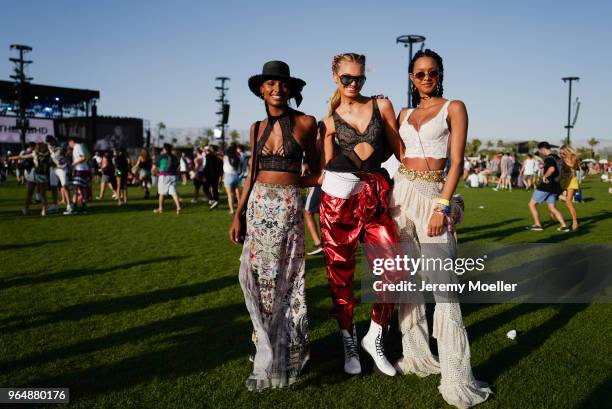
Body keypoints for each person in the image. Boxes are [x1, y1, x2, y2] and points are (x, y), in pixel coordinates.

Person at [390, 49, 491, 408]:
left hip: (433, 194)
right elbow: (393, 155)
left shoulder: (455, 107)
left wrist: (443, 204)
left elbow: (457, 161)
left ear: (441, 73)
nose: (426, 78)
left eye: (432, 72)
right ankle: (416, 355)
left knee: (443, 288)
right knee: (405, 281)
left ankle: (456, 377)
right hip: (400, 195)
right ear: (411, 78)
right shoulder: (403, 113)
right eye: (419, 73)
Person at [312, 53, 404, 377]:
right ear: (335, 78)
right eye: (347, 78)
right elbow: (323, 171)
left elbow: (399, 149)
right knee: (341, 277)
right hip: (340, 200)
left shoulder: (382, 106)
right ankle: (348, 340)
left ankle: (374, 336)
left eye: (359, 78)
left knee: (395, 267)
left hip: (376, 194)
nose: (353, 83)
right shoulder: (328, 122)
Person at [229, 60, 317, 391]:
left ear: (290, 89)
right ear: (262, 90)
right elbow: (251, 174)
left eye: (282, 84)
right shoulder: (256, 128)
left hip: (288, 208)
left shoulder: (307, 123)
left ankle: (290, 353)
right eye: (270, 83)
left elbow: (318, 169)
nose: (277, 88)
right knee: (258, 280)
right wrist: (237, 214)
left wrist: (292, 185)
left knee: (289, 280)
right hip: (257, 207)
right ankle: (265, 349)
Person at [526, 142, 569, 231]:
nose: (540, 152)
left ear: (542, 149)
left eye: (540, 150)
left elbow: (552, 169)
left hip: (546, 185)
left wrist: (545, 176)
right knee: (552, 207)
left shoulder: (549, 158)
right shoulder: (556, 157)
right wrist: (543, 167)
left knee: (531, 204)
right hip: (555, 186)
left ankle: (537, 225)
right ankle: (564, 226)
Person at [10, 142, 50, 216]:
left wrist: (11, 158)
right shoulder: (49, 154)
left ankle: (26, 209)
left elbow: (22, 157)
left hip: (34, 174)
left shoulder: (35, 153)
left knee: (29, 194)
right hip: (43, 176)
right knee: (43, 194)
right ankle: (44, 210)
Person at [46, 135, 75, 215]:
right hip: (53, 168)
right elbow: (51, 155)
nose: (49, 144)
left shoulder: (61, 144)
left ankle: (70, 206)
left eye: (50, 142)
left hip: (62, 168)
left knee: (64, 186)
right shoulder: (48, 146)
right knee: (53, 186)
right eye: (48, 142)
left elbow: (69, 150)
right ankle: (55, 205)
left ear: (53, 140)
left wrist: (65, 157)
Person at [153, 143, 181, 214]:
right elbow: (178, 166)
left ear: (164, 149)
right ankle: (178, 207)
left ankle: (160, 208)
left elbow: (155, 167)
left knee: (161, 193)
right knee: (173, 192)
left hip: (164, 176)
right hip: (173, 176)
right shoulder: (174, 157)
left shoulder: (161, 156)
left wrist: (157, 173)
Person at [559, 145, 580, 231]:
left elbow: (572, 164)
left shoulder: (573, 156)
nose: (561, 154)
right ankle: (553, 217)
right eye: (560, 153)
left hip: (571, 181)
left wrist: (564, 159)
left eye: (562, 152)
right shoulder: (562, 159)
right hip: (563, 180)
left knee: (568, 202)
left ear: (567, 150)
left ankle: (575, 222)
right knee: (553, 197)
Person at [68, 137, 91, 213]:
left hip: (80, 170)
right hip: (83, 170)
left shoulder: (77, 147)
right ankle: (84, 208)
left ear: (72, 141)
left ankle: (74, 208)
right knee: (82, 189)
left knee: (76, 189)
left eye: (69, 143)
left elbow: (83, 158)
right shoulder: (80, 146)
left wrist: (73, 164)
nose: (69, 145)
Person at [223, 143, 242, 214]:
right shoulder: (238, 158)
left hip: (228, 176)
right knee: (237, 193)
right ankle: (240, 208)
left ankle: (232, 210)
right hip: (236, 176)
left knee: (230, 195)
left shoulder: (225, 157)